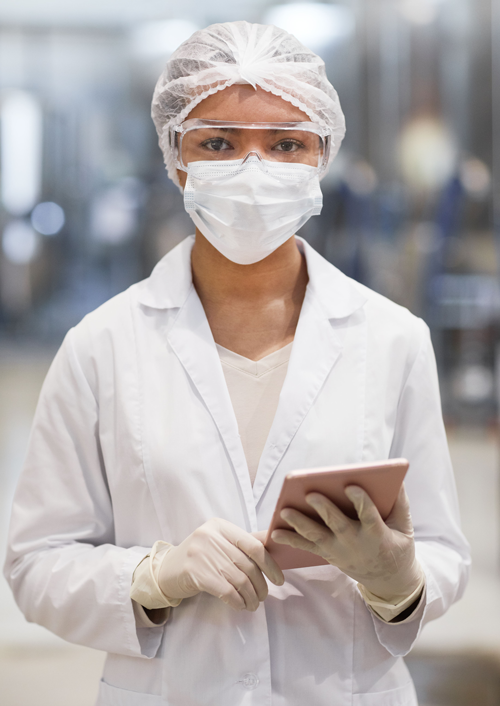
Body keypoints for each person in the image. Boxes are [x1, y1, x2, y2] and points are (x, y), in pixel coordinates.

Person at [4, 21, 470, 706]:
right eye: (220, 142)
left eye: (285, 143)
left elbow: (442, 551)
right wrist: (155, 576)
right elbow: (35, 565)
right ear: (177, 155)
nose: (253, 170)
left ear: (322, 157)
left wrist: (396, 576)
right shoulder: (102, 345)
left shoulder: (392, 338)